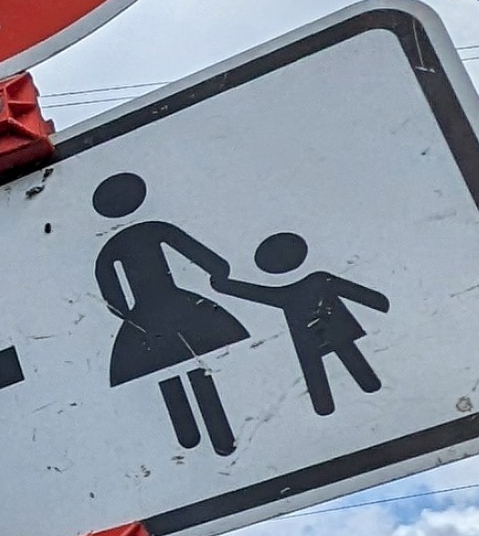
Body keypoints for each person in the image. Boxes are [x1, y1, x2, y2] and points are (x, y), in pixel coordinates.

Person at [89, 169, 248, 455]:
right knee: (193, 371)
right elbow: (202, 256)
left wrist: (127, 315)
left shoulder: (114, 245)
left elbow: (110, 292)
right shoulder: (155, 229)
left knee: (171, 374)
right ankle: (214, 439)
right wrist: (218, 273)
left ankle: (193, 440)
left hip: (146, 315)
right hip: (176, 305)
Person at [236, 232, 391, 413]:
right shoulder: (311, 282)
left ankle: (349, 394)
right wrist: (378, 302)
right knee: (321, 366)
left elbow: (258, 293)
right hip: (317, 334)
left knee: (335, 360)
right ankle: (327, 404)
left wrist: (377, 301)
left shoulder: (304, 285)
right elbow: (258, 294)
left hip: (321, 331)